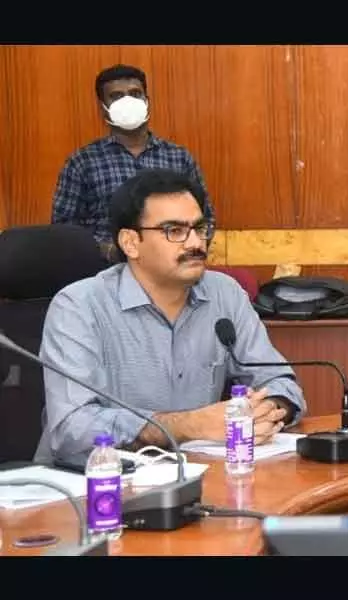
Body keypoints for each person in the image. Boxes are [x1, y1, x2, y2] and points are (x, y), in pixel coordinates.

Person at [35, 168, 303, 464]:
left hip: (197, 476)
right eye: (174, 231)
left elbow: (281, 382)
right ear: (130, 243)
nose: (195, 244)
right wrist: (190, 426)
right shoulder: (78, 307)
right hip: (91, 485)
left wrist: (264, 412)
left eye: (200, 229)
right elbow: (73, 428)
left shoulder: (225, 294)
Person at [50, 64, 214, 260]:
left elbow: (206, 219)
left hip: (171, 266)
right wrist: (110, 251)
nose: (128, 102)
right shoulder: (82, 162)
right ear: (103, 108)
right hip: (105, 272)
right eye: (117, 96)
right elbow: (64, 231)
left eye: (135, 94)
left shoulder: (179, 158)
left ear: (147, 102)